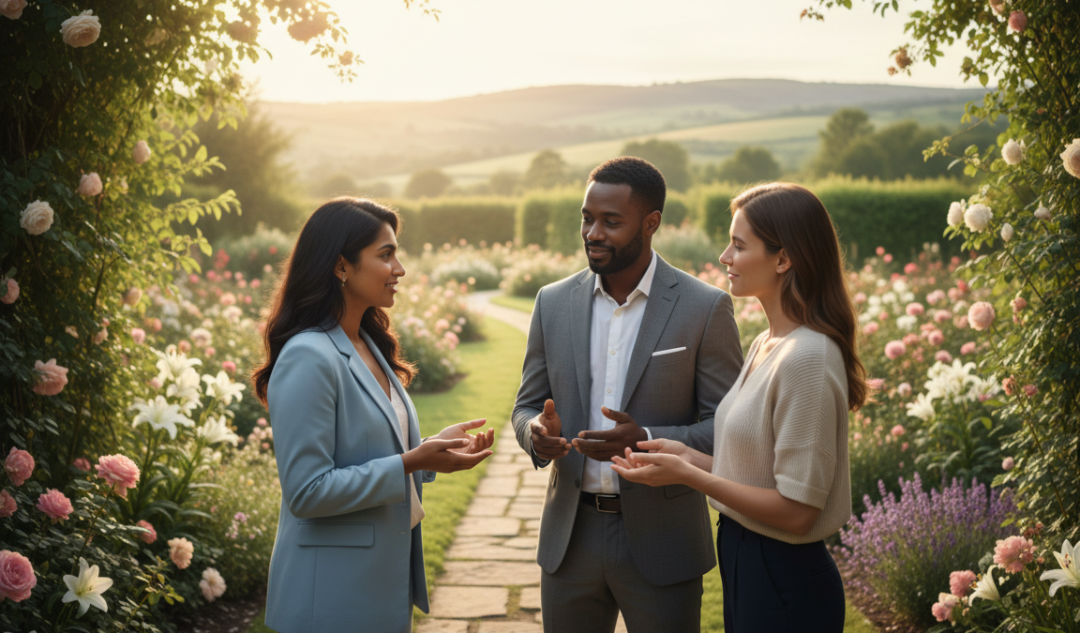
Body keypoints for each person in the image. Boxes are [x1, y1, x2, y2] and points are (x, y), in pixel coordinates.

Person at [612, 182, 867, 632]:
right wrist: (682, 454)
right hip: (746, 558)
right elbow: (755, 474)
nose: (725, 257)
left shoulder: (808, 357)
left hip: (784, 575)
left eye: (738, 245)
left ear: (783, 259)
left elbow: (797, 510)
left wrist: (690, 475)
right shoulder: (767, 343)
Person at [511, 157, 744, 633]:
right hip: (569, 539)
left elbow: (730, 427)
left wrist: (648, 438)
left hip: (664, 541)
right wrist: (535, 434)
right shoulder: (552, 303)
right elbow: (525, 406)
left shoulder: (705, 307)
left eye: (611, 222)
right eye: (587, 218)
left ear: (651, 223)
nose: (593, 232)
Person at [252, 198, 495, 633]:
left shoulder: (366, 343)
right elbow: (307, 493)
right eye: (386, 255)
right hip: (329, 598)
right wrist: (412, 461)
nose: (399, 268)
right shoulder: (309, 355)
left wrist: (429, 452)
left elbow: (367, 453)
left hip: (375, 586)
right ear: (341, 266)